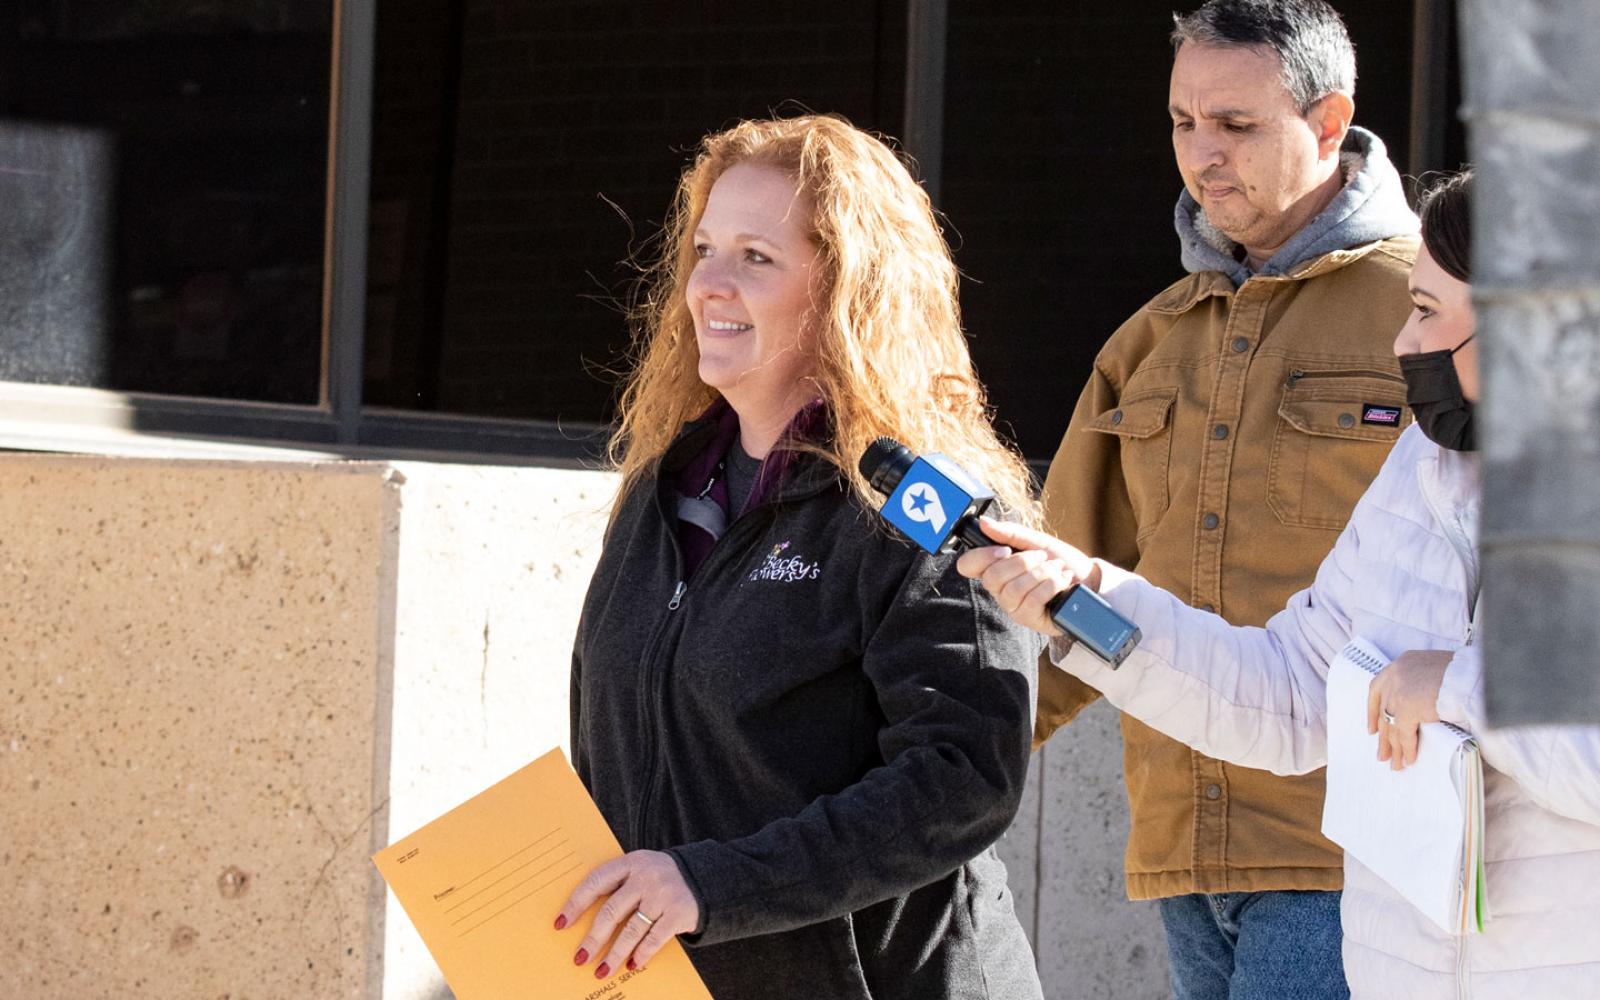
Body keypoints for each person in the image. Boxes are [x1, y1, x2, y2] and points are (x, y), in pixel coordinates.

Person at [962, 170, 1600, 998]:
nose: (1404, 345)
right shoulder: (1421, 468)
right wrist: (1080, 600)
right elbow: (1296, 690)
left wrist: (1454, 687)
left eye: (1426, 312)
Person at [556, 114, 1045, 1000]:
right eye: (704, 249)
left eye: (756, 257)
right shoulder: (660, 496)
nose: (709, 283)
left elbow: (960, 778)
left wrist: (712, 887)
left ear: (846, 292)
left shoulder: (918, 507)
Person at [1033, 2, 1421, 995]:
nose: (1202, 155)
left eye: (1236, 126)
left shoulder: (1432, 314)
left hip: (1354, 853)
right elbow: (1057, 601)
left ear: (1329, 122)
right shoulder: (1148, 342)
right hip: (1180, 852)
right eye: (1182, 123)